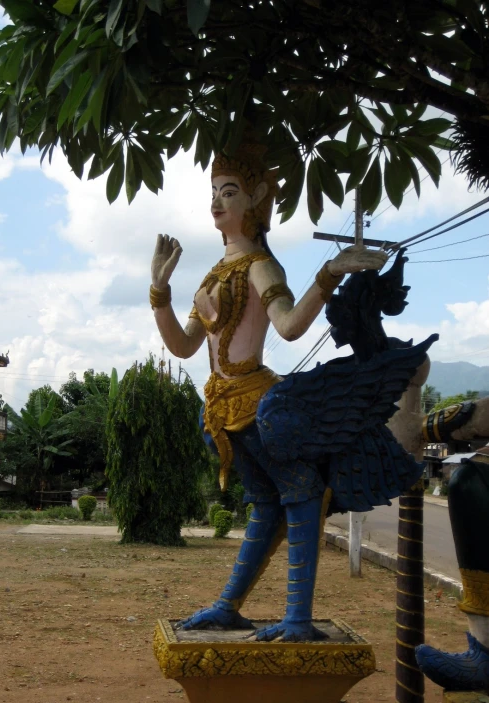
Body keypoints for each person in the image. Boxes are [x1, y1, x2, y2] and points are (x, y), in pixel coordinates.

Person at [150, 140, 433, 642]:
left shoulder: (260, 265)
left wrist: (328, 274)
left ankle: (297, 616)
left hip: (262, 406)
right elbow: (183, 346)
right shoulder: (214, 274)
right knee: (267, 506)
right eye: (213, 192)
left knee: (301, 498)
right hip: (221, 407)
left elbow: (289, 327)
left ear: (256, 197)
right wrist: (160, 294)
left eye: (229, 192)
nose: (216, 202)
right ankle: (228, 604)